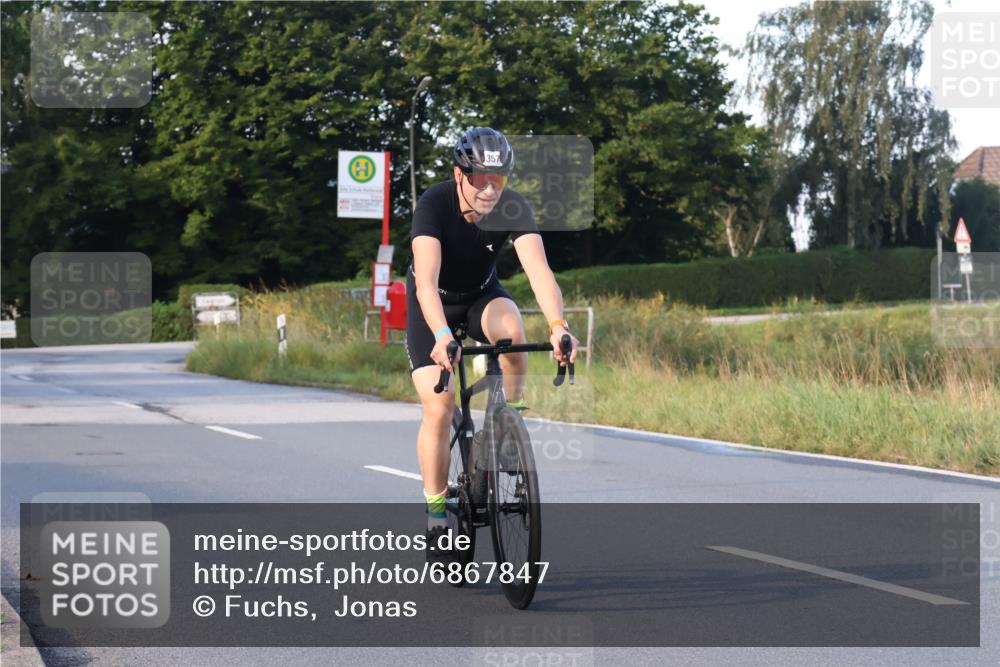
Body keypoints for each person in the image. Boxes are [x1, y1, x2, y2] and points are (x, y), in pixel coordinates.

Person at [406, 127, 579, 559]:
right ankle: (435, 513)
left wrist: (558, 325)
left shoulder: (513, 205)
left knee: (516, 332)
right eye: (480, 178)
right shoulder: (434, 203)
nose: (489, 189)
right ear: (459, 174)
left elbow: (540, 272)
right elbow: (425, 282)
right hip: (433, 308)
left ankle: (507, 425)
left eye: (498, 179)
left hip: (480, 297)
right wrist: (442, 336)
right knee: (440, 406)